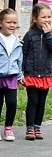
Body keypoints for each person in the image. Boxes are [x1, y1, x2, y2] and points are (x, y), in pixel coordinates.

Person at [22, 3, 52, 141]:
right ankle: (30, 127)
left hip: (45, 74)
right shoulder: (30, 35)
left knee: (41, 101)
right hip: (31, 73)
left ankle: (38, 126)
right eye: (43, 17)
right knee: (32, 100)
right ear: (35, 18)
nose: (47, 20)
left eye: (49, 17)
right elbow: (24, 53)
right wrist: (22, 72)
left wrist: (48, 34)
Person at [0, 8, 22, 141]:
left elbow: (20, 60)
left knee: (12, 103)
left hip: (12, 77)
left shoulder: (17, 42)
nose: (12, 25)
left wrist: (20, 75)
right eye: (9, 22)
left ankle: (9, 127)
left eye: (14, 23)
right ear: (1, 23)